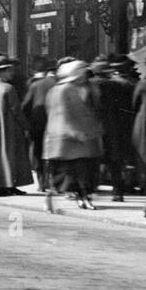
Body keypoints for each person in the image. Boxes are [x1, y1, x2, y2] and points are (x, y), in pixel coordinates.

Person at [42, 58, 103, 212]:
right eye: (81, 73)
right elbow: (60, 114)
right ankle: (80, 198)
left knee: (81, 172)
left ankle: (82, 198)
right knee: (72, 173)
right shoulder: (63, 90)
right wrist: (73, 132)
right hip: (69, 139)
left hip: (81, 139)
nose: (84, 76)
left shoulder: (82, 88)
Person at [0, 55, 33, 197]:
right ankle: (9, 184)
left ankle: (0, 184)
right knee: (11, 156)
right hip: (9, 128)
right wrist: (25, 127)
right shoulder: (8, 88)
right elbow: (16, 111)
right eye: (8, 70)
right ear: (1, 72)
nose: (12, 73)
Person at [92, 56, 135, 202]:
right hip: (114, 127)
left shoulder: (89, 86)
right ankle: (118, 192)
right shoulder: (122, 85)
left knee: (94, 159)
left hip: (94, 127)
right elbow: (128, 108)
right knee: (114, 161)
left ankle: (92, 188)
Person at [21, 59, 56, 191]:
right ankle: (54, 182)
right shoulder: (59, 84)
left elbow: (25, 105)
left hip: (38, 125)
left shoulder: (35, 85)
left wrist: (27, 123)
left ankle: (42, 183)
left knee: (38, 153)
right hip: (55, 124)